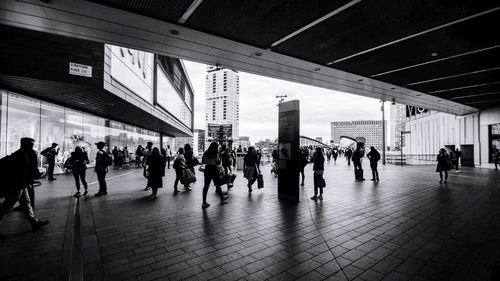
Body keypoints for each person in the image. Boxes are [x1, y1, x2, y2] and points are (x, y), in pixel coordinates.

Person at [0, 137, 49, 231]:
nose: (32, 145)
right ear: (25, 144)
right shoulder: (23, 154)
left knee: (26, 204)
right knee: (7, 206)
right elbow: (28, 170)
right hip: (18, 185)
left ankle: (34, 222)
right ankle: (34, 222)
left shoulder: (20, 153)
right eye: (30, 144)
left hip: (22, 184)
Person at [201, 142, 228, 208]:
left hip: (207, 169)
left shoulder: (205, 153)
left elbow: (203, 161)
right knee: (217, 184)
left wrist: (209, 161)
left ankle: (204, 202)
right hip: (214, 169)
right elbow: (218, 162)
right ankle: (222, 198)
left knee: (206, 186)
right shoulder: (215, 153)